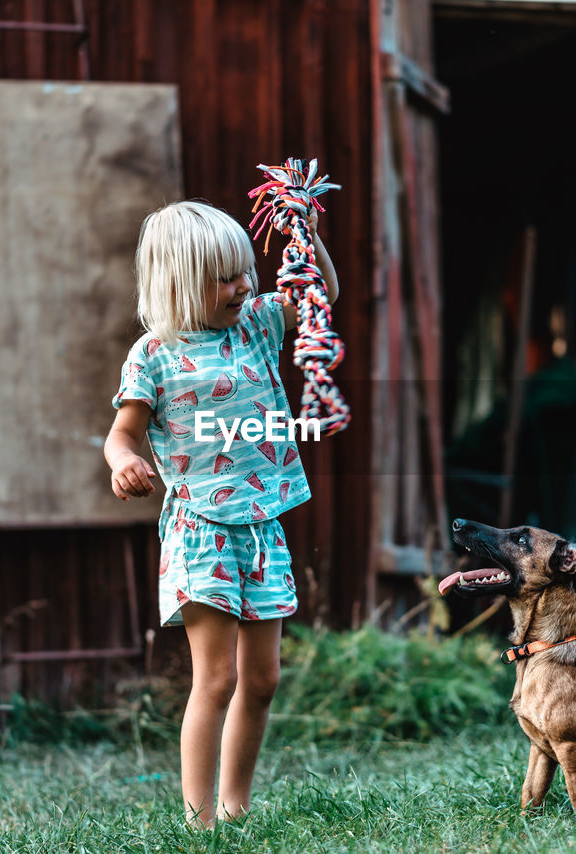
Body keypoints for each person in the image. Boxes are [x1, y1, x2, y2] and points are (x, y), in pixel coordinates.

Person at [104, 199, 339, 828]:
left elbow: (319, 296)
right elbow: (121, 434)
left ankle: (235, 812)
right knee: (217, 678)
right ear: (178, 283)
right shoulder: (152, 355)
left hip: (263, 525)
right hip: (200, 530)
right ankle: (198, 820)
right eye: (224, 277)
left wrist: (307, 239)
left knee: (261, 680)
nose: (243, 286)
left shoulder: (258, 325)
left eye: (244, 271)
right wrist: (122, 460)